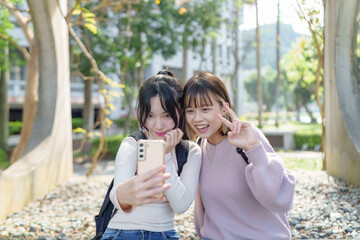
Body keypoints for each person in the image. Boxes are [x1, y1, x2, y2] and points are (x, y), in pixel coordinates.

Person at [183, 71, 295, 240]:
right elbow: (203, 209)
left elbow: (280, 201)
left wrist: (253, 149)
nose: (197, 118)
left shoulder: (247, 136)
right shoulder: (199, 146)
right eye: (190, 110)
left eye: (205, 109)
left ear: (224, 107)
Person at [101, 70, 202, 240]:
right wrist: (126, 192)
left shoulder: (190, 151)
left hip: (166, 233)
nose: (158, 125)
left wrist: (166, 156)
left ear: (181, 111)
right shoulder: (132, 144)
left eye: (167, 115)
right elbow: (118, 197)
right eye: (150, 115)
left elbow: (181, 205)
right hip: (123, 232)